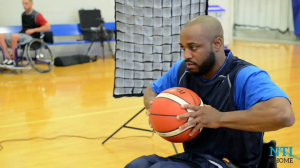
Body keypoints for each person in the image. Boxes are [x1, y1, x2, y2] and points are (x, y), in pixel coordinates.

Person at [125, 15, 295, 168]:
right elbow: (151, 91)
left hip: (233, 163)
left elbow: (283, 115)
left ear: (217, 44)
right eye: (183, 48)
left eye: (193, 47)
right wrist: (155, 107)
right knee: (137, 165)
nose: (186, 55)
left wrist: (219, 118)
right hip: (196, 158)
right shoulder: (183, 69)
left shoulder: (244, 75)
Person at [0, 0, 50, 66]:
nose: (24, 5)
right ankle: (8, 58)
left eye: (26, 3)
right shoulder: (23, 14)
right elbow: (25, 27)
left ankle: (14, 60)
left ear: (31, 3)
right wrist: (18, 33)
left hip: (32, 37)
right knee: (1, 36)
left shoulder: (37, 15)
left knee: (14, 36)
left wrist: (33, 30)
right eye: (23, 3)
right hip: (23, 34)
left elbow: (48, 27)